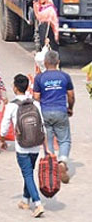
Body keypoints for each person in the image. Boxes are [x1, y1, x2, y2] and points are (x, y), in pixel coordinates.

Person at [0, 74, 46, 218]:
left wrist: (2, 138)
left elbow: (3, 128)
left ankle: (37, 204)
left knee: (27, 174)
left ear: (15, 87)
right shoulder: (35, 104)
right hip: (35, 144)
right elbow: (42, 124)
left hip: (22, 146)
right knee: (29, 172)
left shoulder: (12, 106)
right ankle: (25, 200)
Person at [33, 49, 74, 183]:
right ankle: (62, 161)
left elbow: (36, 97)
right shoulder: (65, 76)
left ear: (45, 62)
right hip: (61, 111)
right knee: (64, 139)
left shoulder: (39, 78)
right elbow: (71, 95)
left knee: (48, 139)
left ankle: (51, 163)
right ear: (58, 62)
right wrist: (70, 108)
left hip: (45, 111)